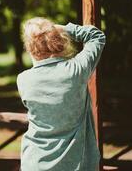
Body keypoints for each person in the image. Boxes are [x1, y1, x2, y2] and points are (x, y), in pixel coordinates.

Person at [17, 17, 105, 171]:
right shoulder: (76, 71)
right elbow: (96, 36)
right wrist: (63, 28)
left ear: (29, 48)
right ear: (57, 40)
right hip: (76, 164)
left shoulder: (23, 80)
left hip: (35, 163)